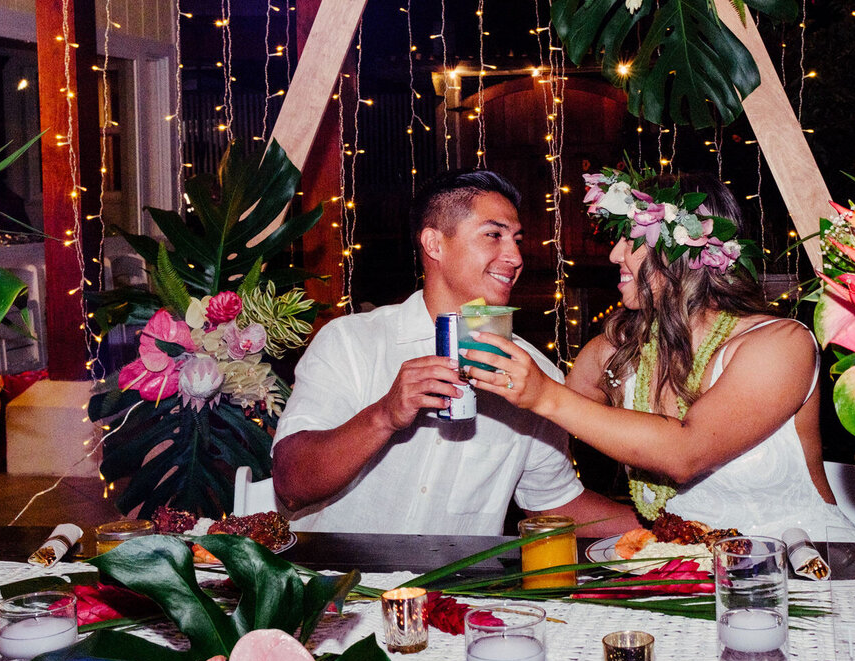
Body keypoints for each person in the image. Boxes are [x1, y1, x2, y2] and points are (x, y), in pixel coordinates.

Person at [464, 167, 855, 541]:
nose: (614, 254)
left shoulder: (780, 344)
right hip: (690, 578)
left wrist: (544, 395)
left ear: (682, 251)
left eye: (631, 239)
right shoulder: (615, 349)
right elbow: (545, 425)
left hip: (810, 572)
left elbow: (685, 454)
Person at [272, 168, 638, 536]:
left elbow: (557, 504)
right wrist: (384, 415)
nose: (514, 256)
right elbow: (290, 486)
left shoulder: (536, 375)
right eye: (493, 235)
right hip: (339, 585)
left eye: (517, 240)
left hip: (454, 592)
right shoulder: (351, 342)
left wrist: (675, 529)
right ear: (434, 244)